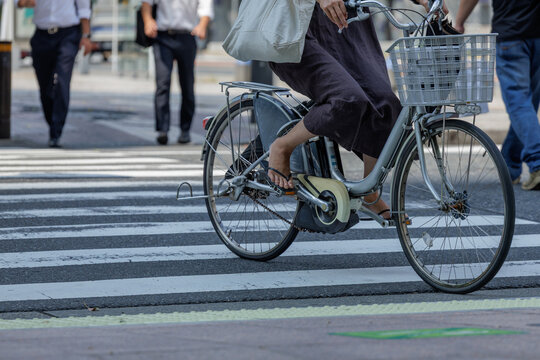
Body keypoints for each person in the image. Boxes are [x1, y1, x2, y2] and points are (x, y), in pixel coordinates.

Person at [266, 0, 432, 218]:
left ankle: (369, 193)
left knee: (385, 103)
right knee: (346, 98)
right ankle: (282, 146)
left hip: (350, 20)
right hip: (296, 22)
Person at [455, 0, 540, 191]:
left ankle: (537, 162)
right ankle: (510, 165)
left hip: (512, 33)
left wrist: (459, 21)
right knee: (528, 103)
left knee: (519, 102)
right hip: (537, 35)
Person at [16, 0, 92, 148]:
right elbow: (15, 3)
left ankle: (56, 131)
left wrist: (86, 36)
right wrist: (24, 2)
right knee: (45, 87)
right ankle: (53, 122)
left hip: (68, 34)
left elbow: (84, 8)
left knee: (62, 81)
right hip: (42, 35)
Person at [141, 0, 213, 145]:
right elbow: (146, 3)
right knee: (163, 83)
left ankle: (185, 130)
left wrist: (202, 25)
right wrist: (148, 21)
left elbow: (206, 9)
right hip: (162, 37)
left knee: (187, 84)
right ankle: (162, 129)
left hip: (187, 36)